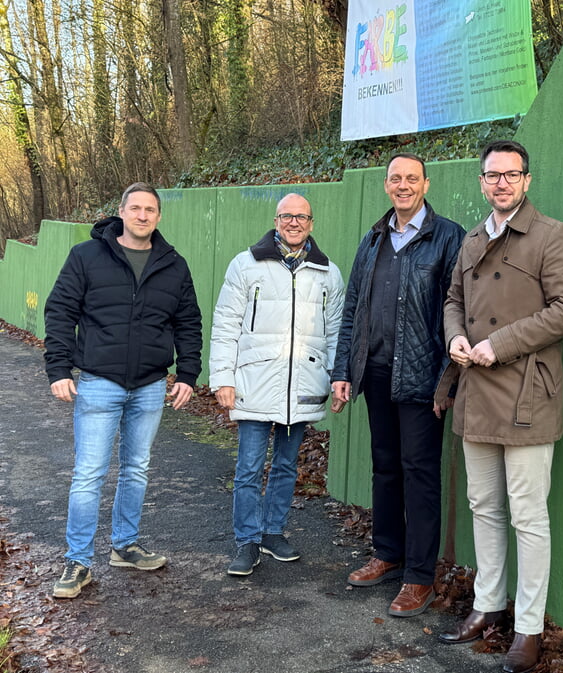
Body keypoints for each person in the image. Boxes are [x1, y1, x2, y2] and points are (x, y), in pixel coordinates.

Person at [438, 140, 563, 673]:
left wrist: (499, 345)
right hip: (476, 389)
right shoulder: (473, 238)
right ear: (481, 182)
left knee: (528, 516)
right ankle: (487, 607)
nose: (501, 183)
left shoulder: (552, 236)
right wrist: (455, 337)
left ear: (527, 180)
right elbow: (453, 300)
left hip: (527, 390)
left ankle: (527, 629)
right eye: (492, 175)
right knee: (484, 506)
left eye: (511, 174)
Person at [44, 182, 202, 599]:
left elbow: (188, 323)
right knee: (88, 474)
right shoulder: (87, 256)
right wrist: (58, 369)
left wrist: (187, 374)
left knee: (136, 468)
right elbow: (60, 311)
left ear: (159, 216)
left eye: (150, 209)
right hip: (98, 382)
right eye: (136, 208)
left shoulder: (173, 264)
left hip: (150, 385)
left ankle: (124, 545)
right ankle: (78, 562)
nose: (143, 215)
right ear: (121, 211)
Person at [330, 153, 465, 617]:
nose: (403, 185)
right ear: (386, 186)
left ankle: (419, 578)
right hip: (378, 373)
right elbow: (353, 311)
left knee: (420, 473)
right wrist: (344, 370)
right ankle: (388, 554)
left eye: (412, 178)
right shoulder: (373, 238)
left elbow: (457, 310)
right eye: (395, 179)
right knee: (384, 466)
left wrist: (448, 377)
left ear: (426, 183)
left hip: (424, 378)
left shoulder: (447, 237)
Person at [209, 193, 344, 576]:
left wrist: (337, 378)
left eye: (302, 217)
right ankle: (247, 540)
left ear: (312, 223)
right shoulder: (246, 265)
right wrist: (222, 377)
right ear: (276, 220)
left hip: (303, 383)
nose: (294, 223)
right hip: (254, 381)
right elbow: (225, 324)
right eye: (287, 216)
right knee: (249, 467)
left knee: (286, 465)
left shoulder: (327, 273)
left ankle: (272, 532)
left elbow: (336, 332)